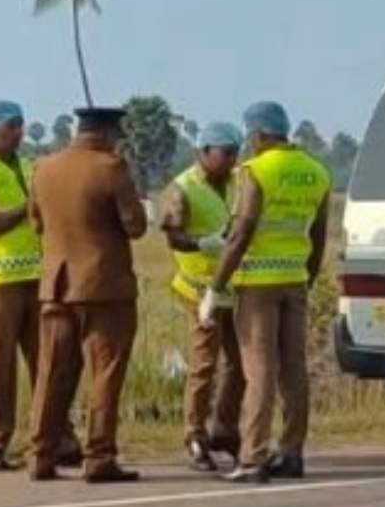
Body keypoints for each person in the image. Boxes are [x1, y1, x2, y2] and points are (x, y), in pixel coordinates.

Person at [204, 101, 331, 484]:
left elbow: (241, 233)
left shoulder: (256, 171)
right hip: (294, 280)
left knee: (258, 371)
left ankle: (253, 457)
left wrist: (215, 288)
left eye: (250, 137)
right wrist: (305, 279)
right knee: (294, 370)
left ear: (258, 134)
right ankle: (291, 452)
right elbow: (318, 235)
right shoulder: (317, 171)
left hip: (257, 286)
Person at [0, 100, 81, 471]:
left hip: (35, 277)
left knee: (48, 360)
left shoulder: (28, 167)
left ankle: (58, 438)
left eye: (21, 125)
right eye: (11, 126)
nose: (18, 132)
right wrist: (29, 208)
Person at [26, 106, 147, 483]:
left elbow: (35, 222)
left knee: (51, 373)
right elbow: (136, 226)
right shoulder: (112, 168)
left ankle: (40, 454)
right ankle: (99, 456)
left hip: (56, 287)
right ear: (110, 132)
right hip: (104, 287)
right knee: (105, 374)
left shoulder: (44, 167)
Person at [159, 121, 246, 471]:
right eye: (225, 153)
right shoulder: (182, 188)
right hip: (198, 289)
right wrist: (205, 242)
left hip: (234, 288)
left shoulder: (240, 181)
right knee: (203, 366)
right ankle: (194, 435)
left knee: (240, 365)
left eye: (235, 153)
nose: (231, 160)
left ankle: (225, 429)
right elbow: (173, 237)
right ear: (204, 151)